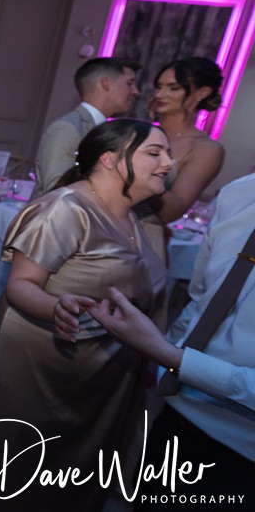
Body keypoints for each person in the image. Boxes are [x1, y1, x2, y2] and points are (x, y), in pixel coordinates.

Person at [0, 119, 171, 511]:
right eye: (154, 153)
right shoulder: (65, 209)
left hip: (104, 379)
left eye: (168, 153)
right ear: (109, 159)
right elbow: (20, 285)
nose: (168, 163)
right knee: (24, 472)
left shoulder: (140, 223)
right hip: (45, 375)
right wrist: (56, 306)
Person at [90, 170, 255, 508]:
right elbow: (202, 299)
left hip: (242, 446)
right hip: (178, 415)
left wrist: (170, 357)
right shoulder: (238, 194)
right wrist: (163, 358)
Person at [134, 57, 225, 260]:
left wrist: (138, 170)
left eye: (173, 88)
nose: (160, 95)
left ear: (202, 93)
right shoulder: (137, 131)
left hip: (142, 241)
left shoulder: (206, 149)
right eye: (159, 87)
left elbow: (171, 211)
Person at [32, 57, 141, 198]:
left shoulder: (113, 130)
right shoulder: (67, 129)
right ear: (106, 84)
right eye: (129, 83)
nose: (136, 91)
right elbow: (56, 189)